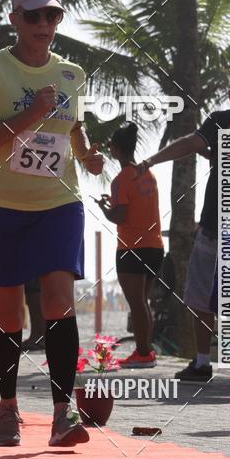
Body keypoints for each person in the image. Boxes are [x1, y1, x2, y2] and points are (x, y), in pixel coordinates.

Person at [0, 0, 104, 448]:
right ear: (15, 19)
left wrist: (87, 156)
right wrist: (30, 115)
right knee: (7, 311)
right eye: (34, 15)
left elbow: (72, 128)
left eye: (53, 14)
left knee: (59, 299)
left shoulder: (71, 73)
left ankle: (63, 414)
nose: (44, 23)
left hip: (57, 202)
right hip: (1, 204)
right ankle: (8, 408)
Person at [139, 71, 230, 382]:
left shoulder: (218, 120)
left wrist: (152, 160)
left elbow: (189, 144)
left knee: (202, 293)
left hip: (215, 220)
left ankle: (203, 361)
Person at [96, 124, 164, 367]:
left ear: (115, 149)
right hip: (155, 246)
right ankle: (145, 350)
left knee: (137, 305)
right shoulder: (148, 174)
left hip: (131, 249)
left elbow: (119, 216)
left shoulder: (120, 179)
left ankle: (144, 353)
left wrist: (105, 210)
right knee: (143, 304)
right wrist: (113, 205)